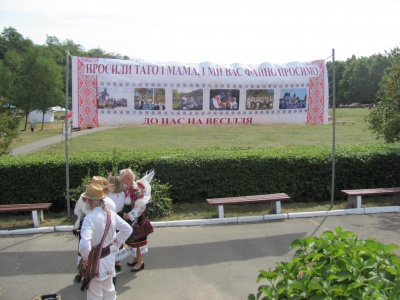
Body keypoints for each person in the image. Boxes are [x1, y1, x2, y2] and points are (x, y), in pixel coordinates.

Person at [79, 183, 132, 300]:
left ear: (91, 201)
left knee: (94, 295)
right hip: (108, 258)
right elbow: (127, 229)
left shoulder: (89, 219)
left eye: (87, 200)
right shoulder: (111, 214)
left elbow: (84, 245)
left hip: (95, 262)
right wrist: (114, 245)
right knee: (109, 292)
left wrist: (85, 259)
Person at [73, 176, 117, 282]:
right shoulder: (110, 202)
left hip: (89, 229)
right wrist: (116, 240)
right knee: (108, 261)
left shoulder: (83, 200)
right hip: (107, 233)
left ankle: (85, 273)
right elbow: (118, 222)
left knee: (86, 251)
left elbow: (77, 212)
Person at [115, 169, 154, 272]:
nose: (121, 180)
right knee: (132, 240)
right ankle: (136, 258)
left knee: (138, 240)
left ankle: (140, 262)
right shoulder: (127, 187)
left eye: (122, 178)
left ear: (127, 179)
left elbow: (142, 208)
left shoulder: (136, 189)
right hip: (130, 218)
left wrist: (130, 215)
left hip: (137, 220)